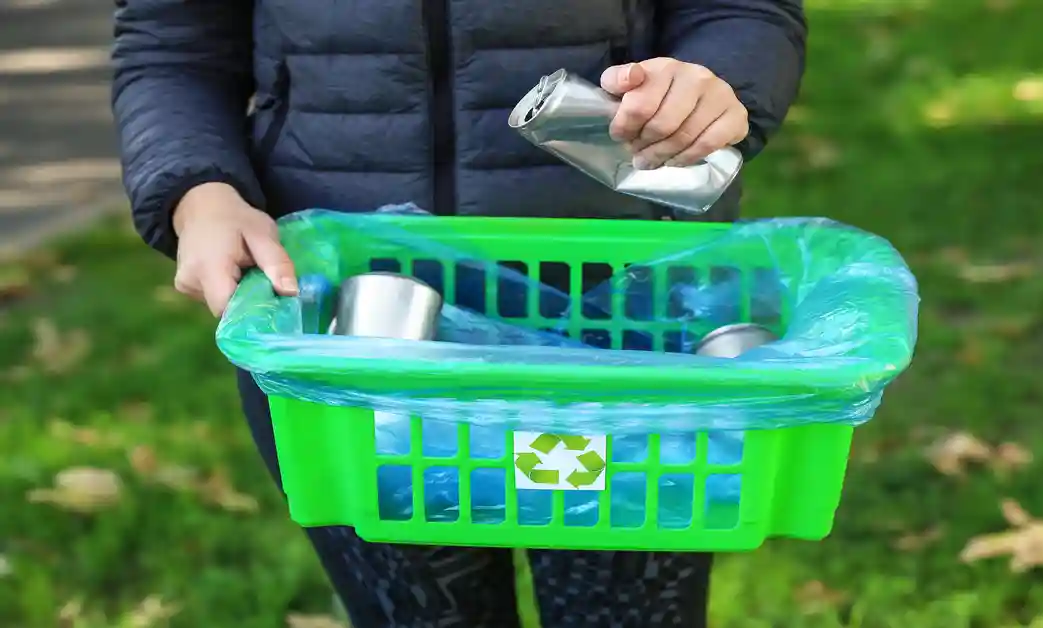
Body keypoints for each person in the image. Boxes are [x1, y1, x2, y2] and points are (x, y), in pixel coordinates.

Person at [111, 0, 806, 625]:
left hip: (624, 312)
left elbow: (740, 9)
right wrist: (196, 188)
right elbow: (174, 42)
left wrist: (716, 83)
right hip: (349, 321)